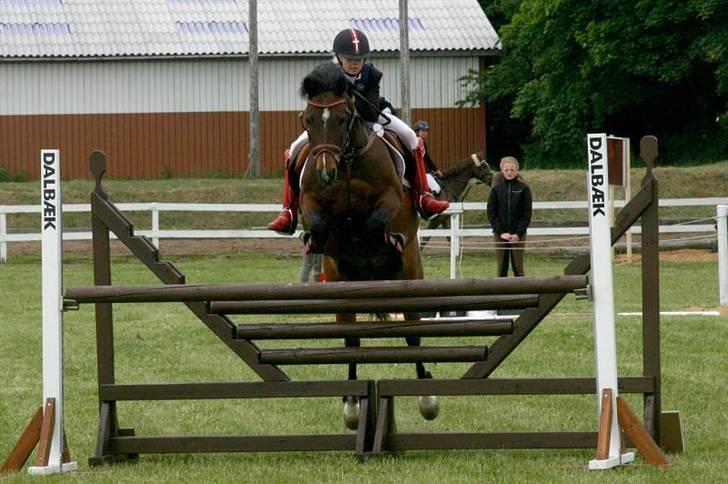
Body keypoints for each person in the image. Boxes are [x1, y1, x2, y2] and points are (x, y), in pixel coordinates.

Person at [267, 28, 449, 235]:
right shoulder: (324, 73)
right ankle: (288, 211)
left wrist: (350, 99)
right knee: (293, 150)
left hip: (369, 115)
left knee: (411, 138)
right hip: (334, 122)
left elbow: (370, 113)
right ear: (338, 57)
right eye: (349, 58)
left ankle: (422, 196)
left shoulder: (372, 74)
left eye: (359, 59)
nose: (354, 63)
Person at [486, 156, 532, 277]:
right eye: (506, 170)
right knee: (501, 268)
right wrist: (500, 232)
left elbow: (527, 213)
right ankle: (501, 294)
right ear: (502, 171)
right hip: (500, 234)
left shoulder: (524, 189)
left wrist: (518, 233)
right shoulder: (496, 189)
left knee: (518, 268)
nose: (509, 172)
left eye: (512, 170)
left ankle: (522, 293)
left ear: (517, 170)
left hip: (518, 235)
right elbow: (491, 212)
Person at [412, 120, 442, 195]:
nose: (426, 133)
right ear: (417, 132)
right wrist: (436, 169)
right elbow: (426, 158)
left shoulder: (413, 141)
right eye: (423, 131)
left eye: (426, 131)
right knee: (436, 188)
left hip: (417, 171)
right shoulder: (420, 142)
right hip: (422, 172)